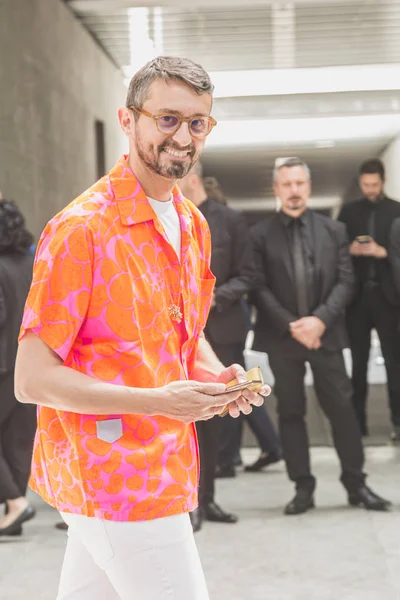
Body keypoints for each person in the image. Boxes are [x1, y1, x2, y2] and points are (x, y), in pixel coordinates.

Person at [14, 56, 269, 600]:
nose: (183, 136)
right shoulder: (80, 230)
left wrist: (212, 375)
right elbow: (31, 379)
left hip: (165, 459)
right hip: (112, 473)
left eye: (197, 122)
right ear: (128, 121)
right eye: (168, 119)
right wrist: (160, 401)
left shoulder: (193, 224)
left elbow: (182, 333)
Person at [251, 156, 391, 515]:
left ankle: (356, 483)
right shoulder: (260, 235)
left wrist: (318, 321)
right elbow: (259, 287)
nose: (294, 191)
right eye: (287, 184)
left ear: (308, 188)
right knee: (291, 412)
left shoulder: (333, 230)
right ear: (277, 189)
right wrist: (293, 325)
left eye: (300, 184)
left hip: (324, 335)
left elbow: (347, 281)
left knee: (342, 409)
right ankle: (303, 487)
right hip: (284, 339)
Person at [179, 165, 278, 532]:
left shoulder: (232, 220)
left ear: (192, 176)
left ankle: (206, 500)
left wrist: (212, 299)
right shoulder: (170, 215)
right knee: (185, 415)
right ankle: (188, 501)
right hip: (178, 332)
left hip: (223, 326)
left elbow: (249, 274)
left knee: (216, 421)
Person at [338, 159, 400, 441]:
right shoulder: (349, 212)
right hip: (358, 300)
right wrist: (351, 249)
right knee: (359, 364)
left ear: (383, 182)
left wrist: (382, 253)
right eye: (365, 185)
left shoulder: (396, 210)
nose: (370, 189)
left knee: (394, 363)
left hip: (388, 299)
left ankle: (397, 424)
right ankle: (357, 426)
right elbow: (337, 252)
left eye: (374, 185)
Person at [0, 200, 36, 537]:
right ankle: (16, 505)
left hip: (2, 365)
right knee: (17, 439)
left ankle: (14, 502)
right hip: (31, 364)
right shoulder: (32, 263)